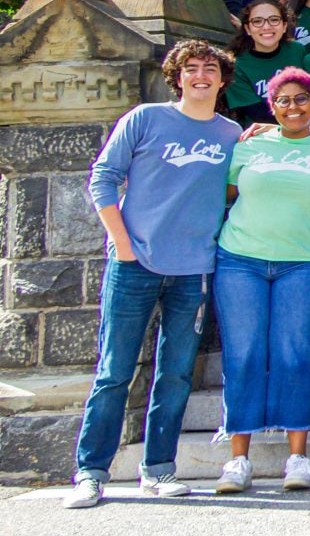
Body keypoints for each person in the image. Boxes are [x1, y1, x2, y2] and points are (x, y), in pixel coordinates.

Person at [66, 41, 242, 509]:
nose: (201, 76)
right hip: (135, 264)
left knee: (177, 373)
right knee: (114, 372)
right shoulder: (144, 118)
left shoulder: (231, 134)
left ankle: (159, 469)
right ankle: (91, 472)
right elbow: (102, 177)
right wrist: (122, 245)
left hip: (194, 269)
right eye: (191, 69)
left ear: (223, 80)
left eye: (210, 69)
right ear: (177, 77)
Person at [211, 67, 310, 495]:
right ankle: (238, 460)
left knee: (294, 355)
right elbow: (226, 194)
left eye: (301, 98)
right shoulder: (249, 144)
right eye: (282, 100)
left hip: (303, 262)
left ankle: (297, 457)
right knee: (244, 354)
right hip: (241, 261)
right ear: (272, 105)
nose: (292, 107)